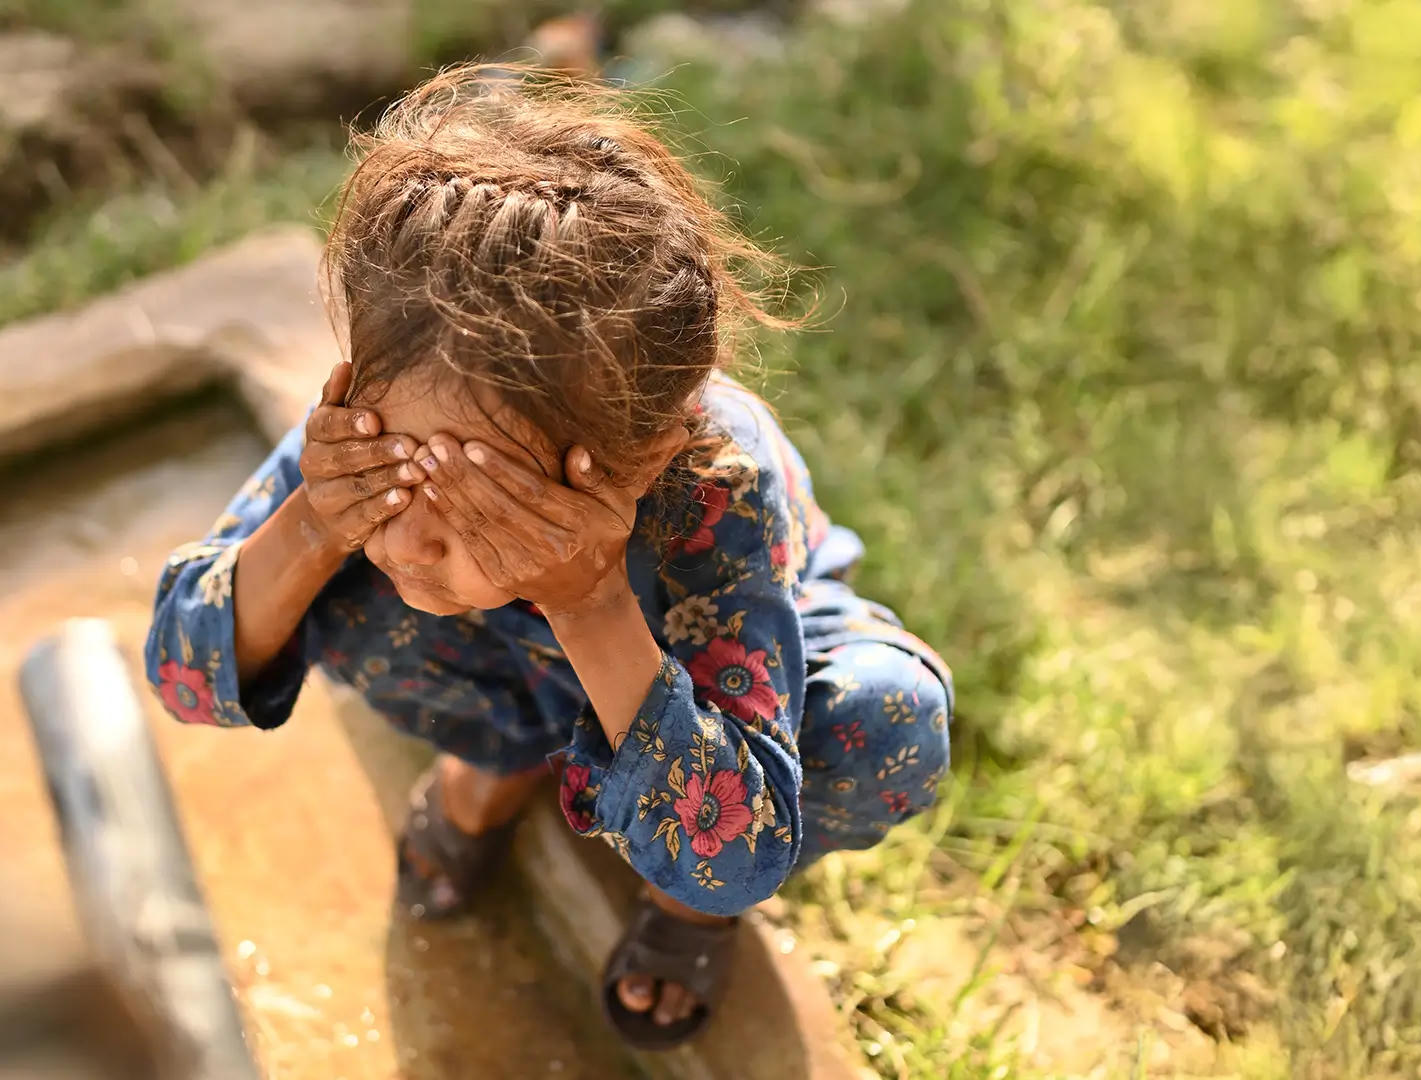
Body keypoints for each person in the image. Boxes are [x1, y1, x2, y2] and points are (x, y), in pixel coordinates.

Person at [145, 65, 951, 1051]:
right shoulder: (372, 433)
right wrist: (317, 525)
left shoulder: (715, 485)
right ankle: (494, 762)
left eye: (485, 495)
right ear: (360, 378)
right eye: (400, 476)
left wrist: (587, 602)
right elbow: (185, 676)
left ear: (640, 455)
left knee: (891, 718)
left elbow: (738, 851)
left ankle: (678, 913)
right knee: (335, 593)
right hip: (511, 651)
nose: (407, 533)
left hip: (683, 655)